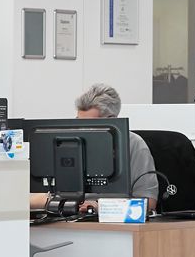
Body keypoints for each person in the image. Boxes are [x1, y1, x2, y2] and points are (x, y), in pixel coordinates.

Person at [29, 83, 160, 212]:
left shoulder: (134, 145)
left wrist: (100, 208)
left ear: (111, 121)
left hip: (113, 221)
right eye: (78, 122)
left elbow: (148, 204)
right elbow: (33, 198)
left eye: (89, 124)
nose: (81, 130)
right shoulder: (66, 143)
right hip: (64, 215)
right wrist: (55, 202)